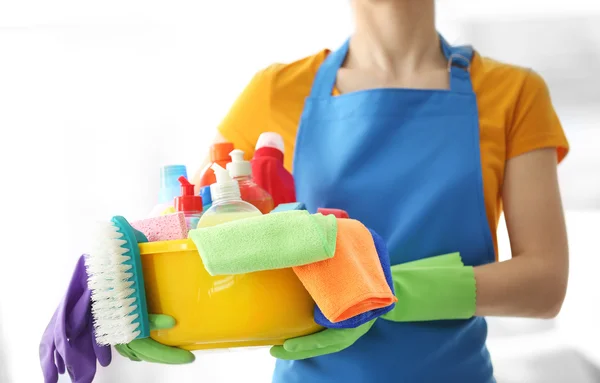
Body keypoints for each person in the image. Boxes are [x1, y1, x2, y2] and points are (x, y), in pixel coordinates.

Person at [192, 1, 569, 382]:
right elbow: (194, 238)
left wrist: (379, 292)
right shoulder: (275, 92)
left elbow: (544, 284)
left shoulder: (514, 93)